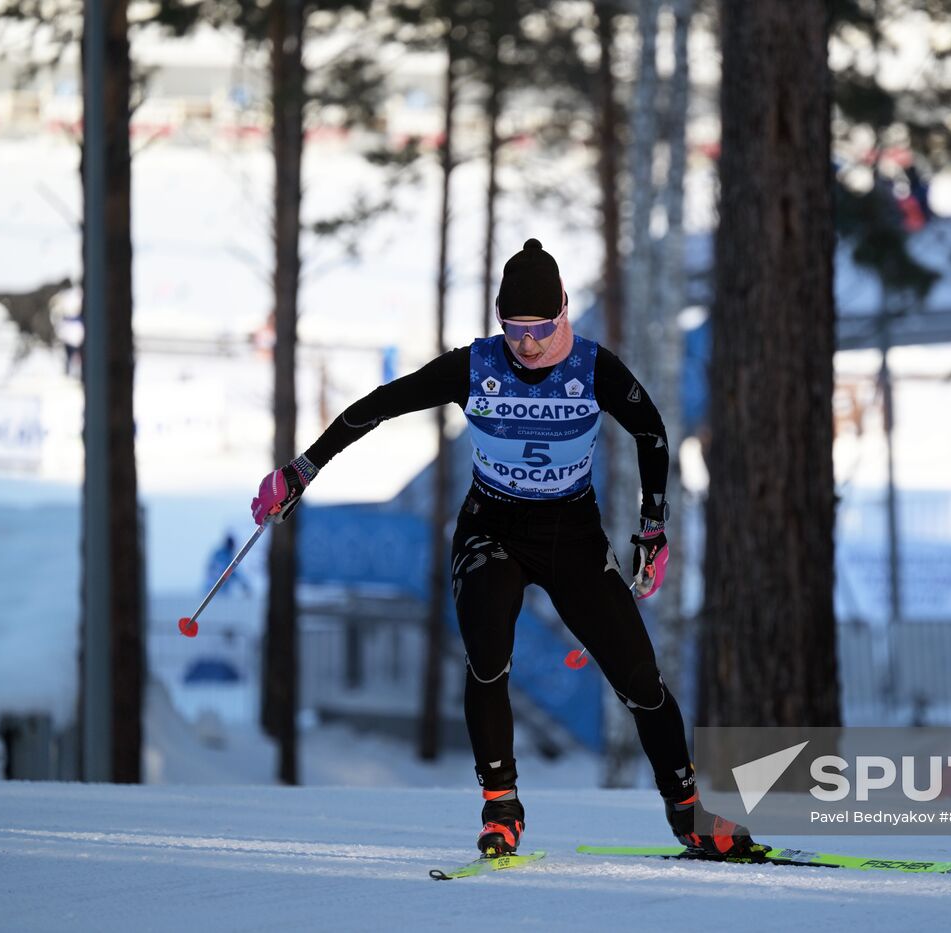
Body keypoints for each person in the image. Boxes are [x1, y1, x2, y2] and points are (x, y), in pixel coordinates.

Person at [250, 239, 764, 861]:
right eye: (515, 328)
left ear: (565, 312)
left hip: (571, 537)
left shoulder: (595, 368)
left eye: (542, 327)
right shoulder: (475, 366)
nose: (528, 344)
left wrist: (652, 528)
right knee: (488, 659)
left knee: (640, 681)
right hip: (490, 531)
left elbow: (653, 432)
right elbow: (378, 407)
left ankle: (688, 814)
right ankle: (502, 807)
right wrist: (303, 469)